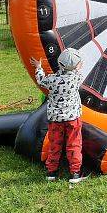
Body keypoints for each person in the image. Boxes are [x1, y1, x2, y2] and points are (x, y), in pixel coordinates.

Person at [29, 49, 88, 183]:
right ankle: (75, 173)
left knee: (55, 144)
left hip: (55, 119)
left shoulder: (52, 79)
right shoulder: (77, 77)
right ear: (77, 66)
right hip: (73, 118)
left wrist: (39, 67)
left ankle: (51, 172)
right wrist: (77, 66)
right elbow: (78, 69)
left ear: (59, 63)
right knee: (74, 144)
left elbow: (41, 80)